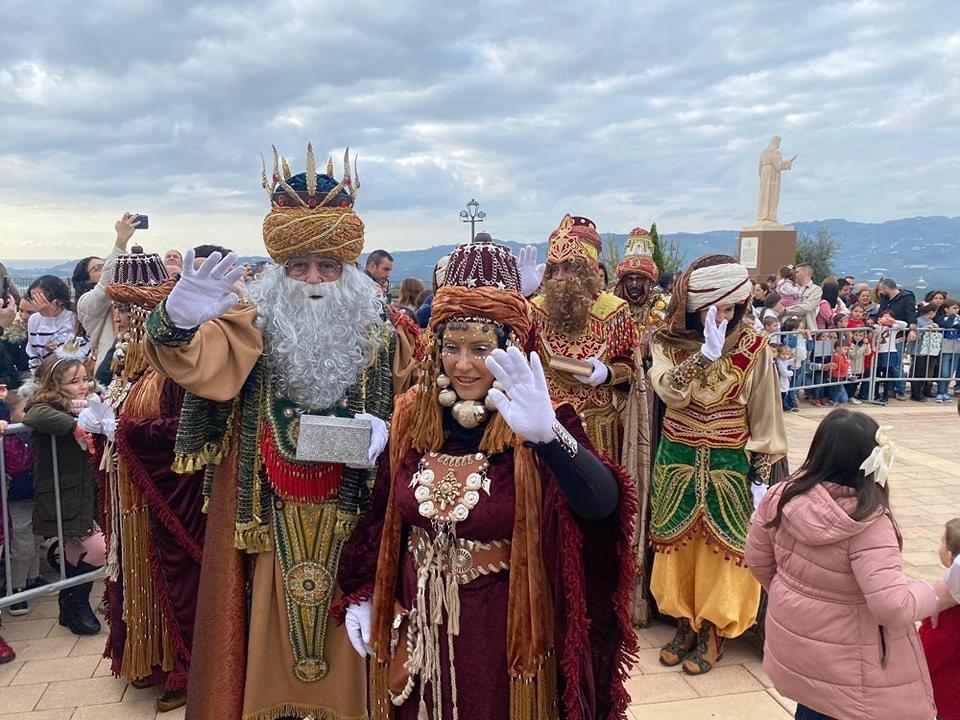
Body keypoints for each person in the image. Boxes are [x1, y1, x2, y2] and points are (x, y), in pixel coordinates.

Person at [143, 146, 417, 720]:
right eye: (298, 266)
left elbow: (421, 413)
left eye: (327, 266)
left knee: (354, 643)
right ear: (278, 271)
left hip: (357, 522)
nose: (313, 279)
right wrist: (177, 317)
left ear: (349, 271)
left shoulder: (386, 334)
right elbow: (190, 360)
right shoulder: (252, 325)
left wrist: (393, 430)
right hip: (268, 518)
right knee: (270, 637)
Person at [337, 241, 638, 720]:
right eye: (451, 347)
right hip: (418, 626)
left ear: (510, 348)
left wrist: (551, 438)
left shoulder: (539, 416)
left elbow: (604, 505)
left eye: (481, 348)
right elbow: (383, 517)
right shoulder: (414, 414)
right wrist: (367, 594)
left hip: (502, 630)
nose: (462, 364)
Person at [746, 410, 951, 720]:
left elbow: (757, 559)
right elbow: (891, 606)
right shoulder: (867, 520)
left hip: (800, 648)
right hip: (852, 667)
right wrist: (935, 593)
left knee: (813, 701)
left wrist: (793, 594)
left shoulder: (781, 496)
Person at [648, 254, 786, 675]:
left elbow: (765, 412)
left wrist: (762, 475)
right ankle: (684, 623)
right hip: (678, 457)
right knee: (678, 545)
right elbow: (670, 393)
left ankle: (714, 630)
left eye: (730, 308)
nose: (724, 317)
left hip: (730, 459)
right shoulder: (666, 343)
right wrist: (703, 356)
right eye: (714, 309)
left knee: (727, 550)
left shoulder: (754, 347)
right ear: (693, 308)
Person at [81, 250, 202, 712]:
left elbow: (187, 431)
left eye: (134, 308)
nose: (124, 317)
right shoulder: (122, 360)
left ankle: (180, 666)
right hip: (128, 497)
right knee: (133, 578)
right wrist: (101, 428)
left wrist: (125, 431)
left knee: (169, 579)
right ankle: (143, 658)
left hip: (166, 499)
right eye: (120, 307)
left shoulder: (177, 363)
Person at [530, 214, 638, 463]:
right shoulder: (535, 310)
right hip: (550, 422)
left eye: (568, 267)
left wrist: (607, 374)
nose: (559, 277)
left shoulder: (614, 310)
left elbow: (630, 368)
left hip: (599, 426)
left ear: (587, 269)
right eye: (554, 269)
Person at [22, 354, 106, 636]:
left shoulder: (89, 405)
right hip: (63, 492)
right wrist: (75, 426)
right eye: (74, 381)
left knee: (76, 549)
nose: (83, 385)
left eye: (84, 379)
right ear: (55, 385)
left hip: (84, 490)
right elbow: (33, 413)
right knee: (98, 548)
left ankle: (71, 608)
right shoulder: (46, 406)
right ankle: (76, 603)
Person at [612, 226, 667, 626]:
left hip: (657, 405)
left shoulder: (664, 309)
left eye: (640, 280)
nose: (633, 286)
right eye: (628, 279)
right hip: (615, 402)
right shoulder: (611, 309)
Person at [76, 214, 139, 381]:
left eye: (105, 265)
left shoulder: (129, 300)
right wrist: (121, 241)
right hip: (108, 373)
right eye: (98, 268)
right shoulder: (86, 304)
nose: (104, 270)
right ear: (84, 279)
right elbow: (107, 283)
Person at [1, 389, 44, 616]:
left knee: (35, 538)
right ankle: (16, 587)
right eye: (24, 409)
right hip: (16, 498)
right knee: (21, 543)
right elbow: (18, 464)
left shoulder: (29, 432)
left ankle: (33, 577)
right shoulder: (11, 436)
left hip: (33, 494)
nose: (28, 413)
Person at [919, 518, 960, 720]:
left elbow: (926, 654)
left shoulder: (945, 612)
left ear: (950, 555)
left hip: (948, 701)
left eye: (942, 541)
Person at [26, 276, 80, 371]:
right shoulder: (34, 319)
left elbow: (59, 355)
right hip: (42, 376)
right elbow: (34, 353)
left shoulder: (73, 319)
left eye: (41, 299)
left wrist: (48, 319)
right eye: (34, 299)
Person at [878, 278, 918, 400]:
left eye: (882, 288)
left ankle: (900, 389)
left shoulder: (907, 297)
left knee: (896, 364)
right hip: (886, 334)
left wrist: (912, 330)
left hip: (899, 335)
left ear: (886, 288)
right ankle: (890, 388)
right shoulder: (885, 299)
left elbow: (911, 314)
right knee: (888, 365)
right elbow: (881, 312)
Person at [937, 298, 960, 401]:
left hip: (957, 347)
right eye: (954, 308)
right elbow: (947, 325)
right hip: (946, 346)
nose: (956, 310)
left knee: (951, 371)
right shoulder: (943, 318)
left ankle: (945, 392)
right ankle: (940, 392)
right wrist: (952, 317)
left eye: (957, 308)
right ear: (946, 309)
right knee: (944, 371)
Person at [791, 264, 822, 336]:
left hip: (808, 331)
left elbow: (807, 307)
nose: (794, 275)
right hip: (790, 330)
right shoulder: (789, 289)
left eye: (797, 272)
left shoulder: (816, 290)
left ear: (806, 273)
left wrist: (785, 310)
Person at [775, 344, 797, 412]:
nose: (785, 356)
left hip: (784, 381)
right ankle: (784, 406)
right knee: (782, 394)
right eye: (783, 354)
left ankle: (784, 405)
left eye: (787, 354)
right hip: (781, 380)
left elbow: (787, 362)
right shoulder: (779, 361)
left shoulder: (783, 361)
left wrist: (792, 360)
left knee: (784, 394)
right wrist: (791, 373)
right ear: (779, 354)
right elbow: (783, 372)